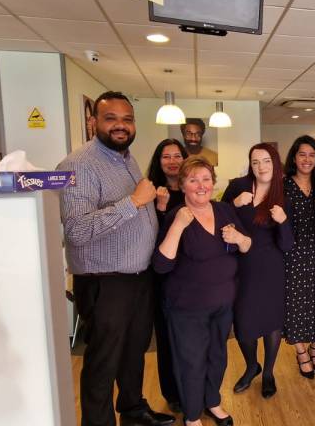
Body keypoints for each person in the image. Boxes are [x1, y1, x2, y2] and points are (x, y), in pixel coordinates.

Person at [57, 91, 174, 426]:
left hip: (137, 277)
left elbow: (135, 209)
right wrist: (135, 202)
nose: (121, 126)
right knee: (103, 362)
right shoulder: (77, 165)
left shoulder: (126, 158)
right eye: (111, 119)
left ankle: (133, 409)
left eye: (127, 119)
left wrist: (153, 206)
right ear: (93, 122)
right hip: (104, 281)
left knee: (134, 351)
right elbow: (77, 230)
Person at [153, 156, 252, 426]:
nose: (201, 185)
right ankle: (193, 415)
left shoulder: (224, 211)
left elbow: (247, 246)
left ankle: (213, 401)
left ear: (213, 183)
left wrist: (239, 238)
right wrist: (177, 227)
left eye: (206, 179)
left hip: (223, 304)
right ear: (183, 185)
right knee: (191, 362)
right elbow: (161, 265)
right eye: (193, 180)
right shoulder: (177, 215)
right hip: (187, 307)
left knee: (217, 356)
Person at [221, 143, 294, 399]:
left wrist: (283, 221)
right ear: (250, 165)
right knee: (242, 322)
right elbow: (220, 218)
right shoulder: (238, 186)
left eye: (266, 161)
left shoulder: (285, 194)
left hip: (271, 266)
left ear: (275, 163)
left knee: (272, 322)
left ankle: (268, 373)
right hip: (241, 266)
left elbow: (287, 245)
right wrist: (233, 203)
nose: (261, 167)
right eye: (255, 162)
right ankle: (252, 365)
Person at [282, 136, 315, 379]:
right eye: (302, 154)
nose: (307, 159)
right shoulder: (283, 185)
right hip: (292, 254)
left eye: (312, 155)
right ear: (294, 157)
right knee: (295, 305)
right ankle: (301, 351)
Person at [145, 138, 189, 413]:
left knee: (193, 336)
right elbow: (150, 239)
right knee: (167, 335)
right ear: (158, 162)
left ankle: (197, 387)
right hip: (164, 277)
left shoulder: (193, 190)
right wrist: (160, 209)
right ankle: (173, 392)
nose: (172, 161)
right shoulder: (150, 192)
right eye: (166, 157)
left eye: (177, 156)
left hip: (192, 275)